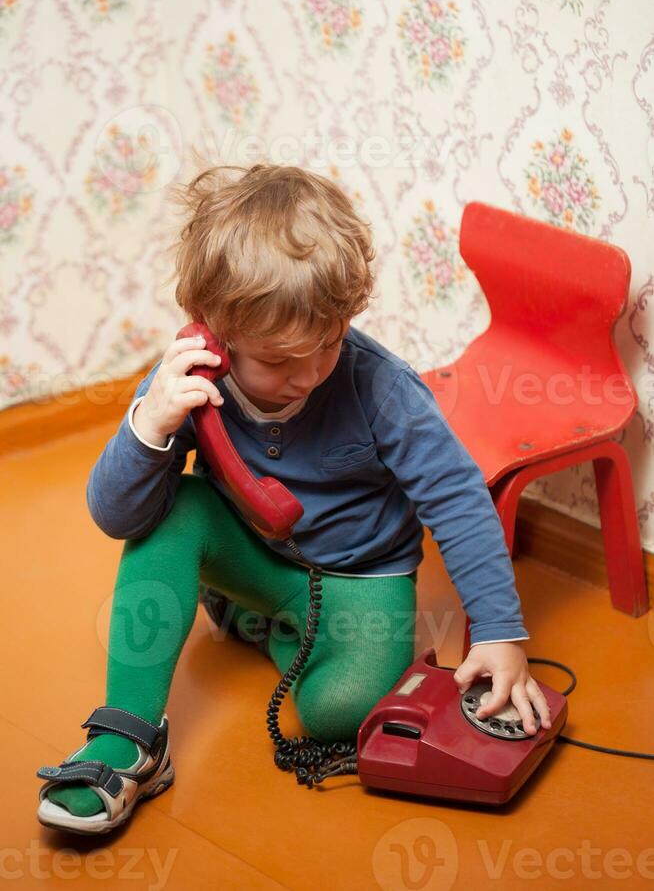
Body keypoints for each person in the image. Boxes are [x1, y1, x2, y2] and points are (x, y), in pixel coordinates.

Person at [36, 161, 551, 835]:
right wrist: (151, 428)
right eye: (279, 362)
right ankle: (129, 737)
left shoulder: (382, 388)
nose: (308, 375)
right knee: (176, 511)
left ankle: (268, 627)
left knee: (336, 712)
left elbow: (456, 499)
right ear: (213, 331)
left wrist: (501, 633)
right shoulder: (188, 379)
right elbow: (116, 517)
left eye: (329, 344)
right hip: (255, 549)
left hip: (360, 575)